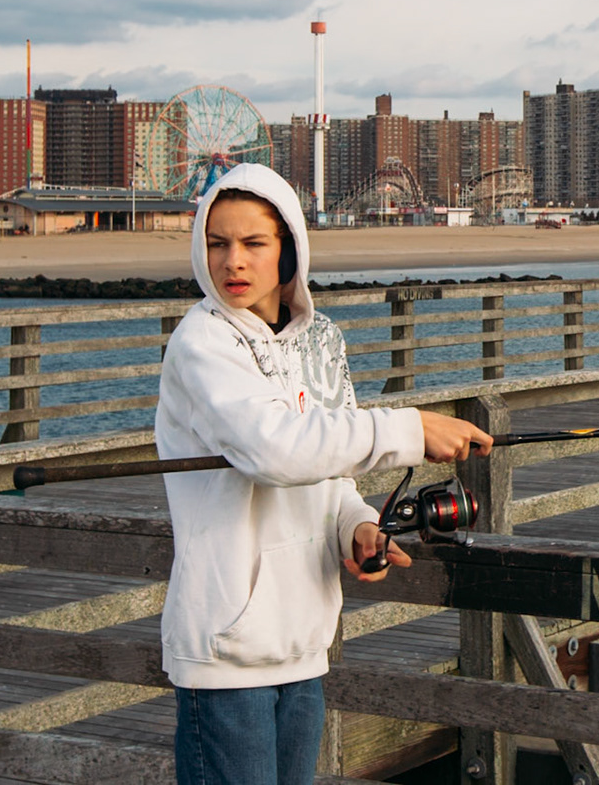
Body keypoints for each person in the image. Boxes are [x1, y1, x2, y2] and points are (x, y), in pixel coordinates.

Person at [156, 163, 492, 785]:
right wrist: (409, 430)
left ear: (288, 250)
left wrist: (357, 527)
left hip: (303, 645)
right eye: (217, 242)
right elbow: (274, 450)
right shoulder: (202, 343)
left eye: (254, 243)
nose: (233, 260)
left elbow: (329, 470)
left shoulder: (322, 341)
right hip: (226, 655)